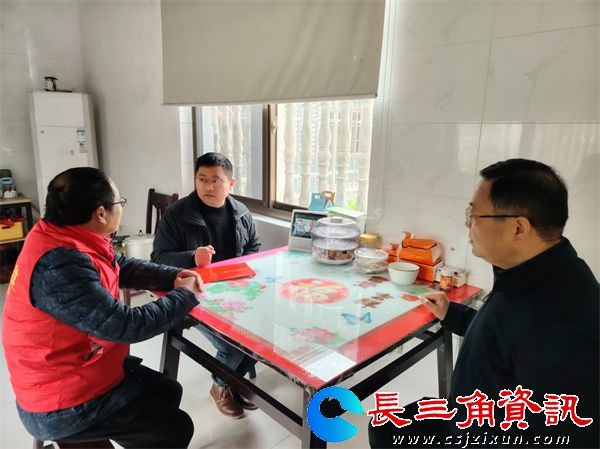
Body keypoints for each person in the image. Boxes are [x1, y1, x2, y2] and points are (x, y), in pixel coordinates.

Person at [369, 159, 599, 448]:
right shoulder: (539, 274)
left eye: (474, 214)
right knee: (386, 427)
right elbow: (505, 336)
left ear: (518, 228)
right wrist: (453, 313)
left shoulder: (563, 319)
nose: (468, 223)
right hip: (470, 417)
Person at [2, 167, 204, 448]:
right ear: (100, 213)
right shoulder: (59, 265)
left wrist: (173, 276)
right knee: (175, 428)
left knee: (168, 390)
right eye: (120, 202)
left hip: (74, 367)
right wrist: (183, 295)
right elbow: (127, 326)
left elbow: (118, 265)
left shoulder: (60, 234)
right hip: (60, 401)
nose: (121, 208)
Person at [151, 152, 261, 419]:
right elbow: (158, 258)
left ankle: (235, 383)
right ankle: (220, 386)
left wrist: (242, 272)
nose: (208, 186)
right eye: (202, 179)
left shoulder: (241, 212)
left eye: (216, 180)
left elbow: (254, 247)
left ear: (231, 184)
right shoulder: (178, 214)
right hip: (194, 293)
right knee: (231, 347)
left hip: (234, 291)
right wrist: (192, 258)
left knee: (260, 336)